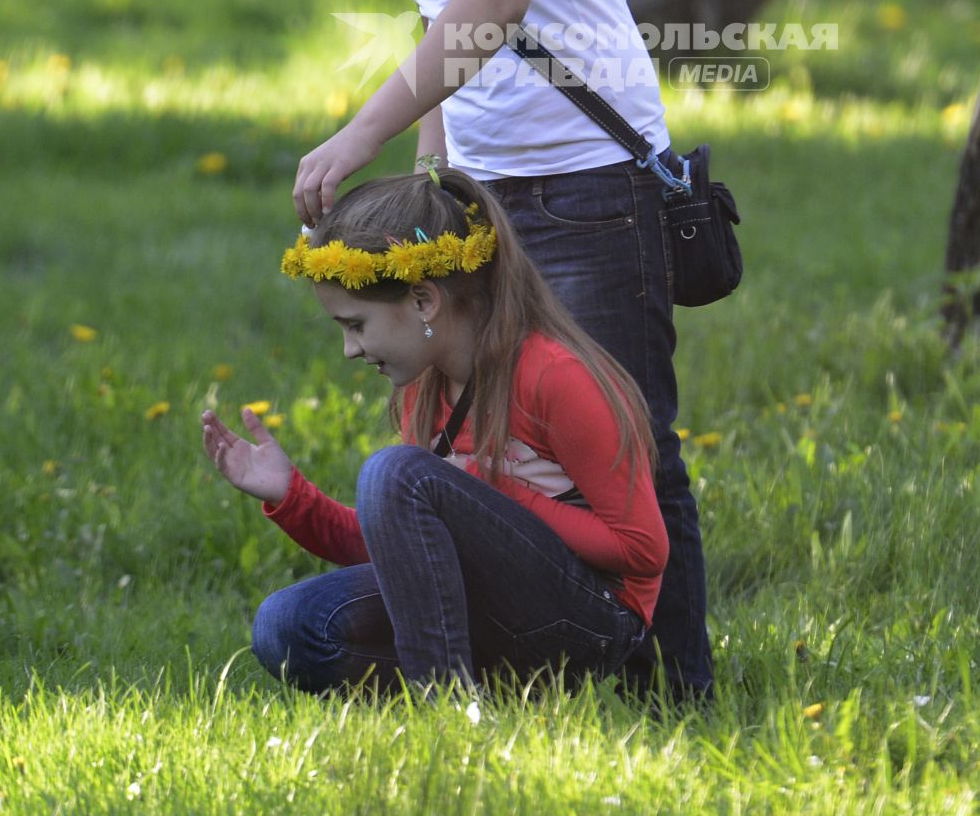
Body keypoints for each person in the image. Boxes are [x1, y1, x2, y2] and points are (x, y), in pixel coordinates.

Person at [230, 0, 713, 699]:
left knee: (627, 441)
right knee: (479, 442)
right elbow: (444, 26)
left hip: (583, 186)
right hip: (490, 201)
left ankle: (674, 689)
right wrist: (432, 174)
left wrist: (357, 132)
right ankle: (524, 659)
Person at [201, 169, 667, 693]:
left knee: (395, 472)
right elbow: (405, 550)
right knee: (288, 624)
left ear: (423, 301)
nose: (350, 350)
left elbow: (642, 550)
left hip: (590, 620)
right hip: (488, 609)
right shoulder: (421, 389)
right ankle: (480, 691)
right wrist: (292, 496)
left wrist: (503, 493)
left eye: (356, 325)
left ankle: (444, 706)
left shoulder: (554, 376)